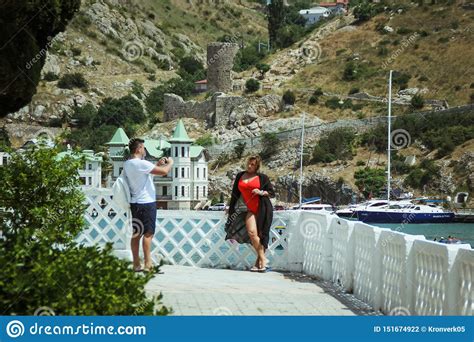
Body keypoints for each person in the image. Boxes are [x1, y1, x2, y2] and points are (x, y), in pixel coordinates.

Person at [124, 138, 174, 272]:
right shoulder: (141, 163)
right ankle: (148, 264)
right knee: (148, 234)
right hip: (147, 203)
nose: (145, 150)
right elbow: (164, 172)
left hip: (135, 203)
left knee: (136, 234)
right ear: (139, 149)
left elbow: (145, 176)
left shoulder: (128, 164)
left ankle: (136, 264)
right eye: (144, 148)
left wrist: (157, 164)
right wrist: (170, 163)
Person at [224, 155, 275, 272]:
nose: (249, 166)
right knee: (252, 233)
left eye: (253, 164)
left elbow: (272, 193)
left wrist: (260, 192)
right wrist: (230, 207)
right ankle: (263, 258)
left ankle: (259, 264)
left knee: (261, 234)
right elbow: (235, 194)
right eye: (248, 163)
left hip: (263, 208)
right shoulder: (240, 176)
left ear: (257, 166)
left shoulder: (262, 177)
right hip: (249, 209)